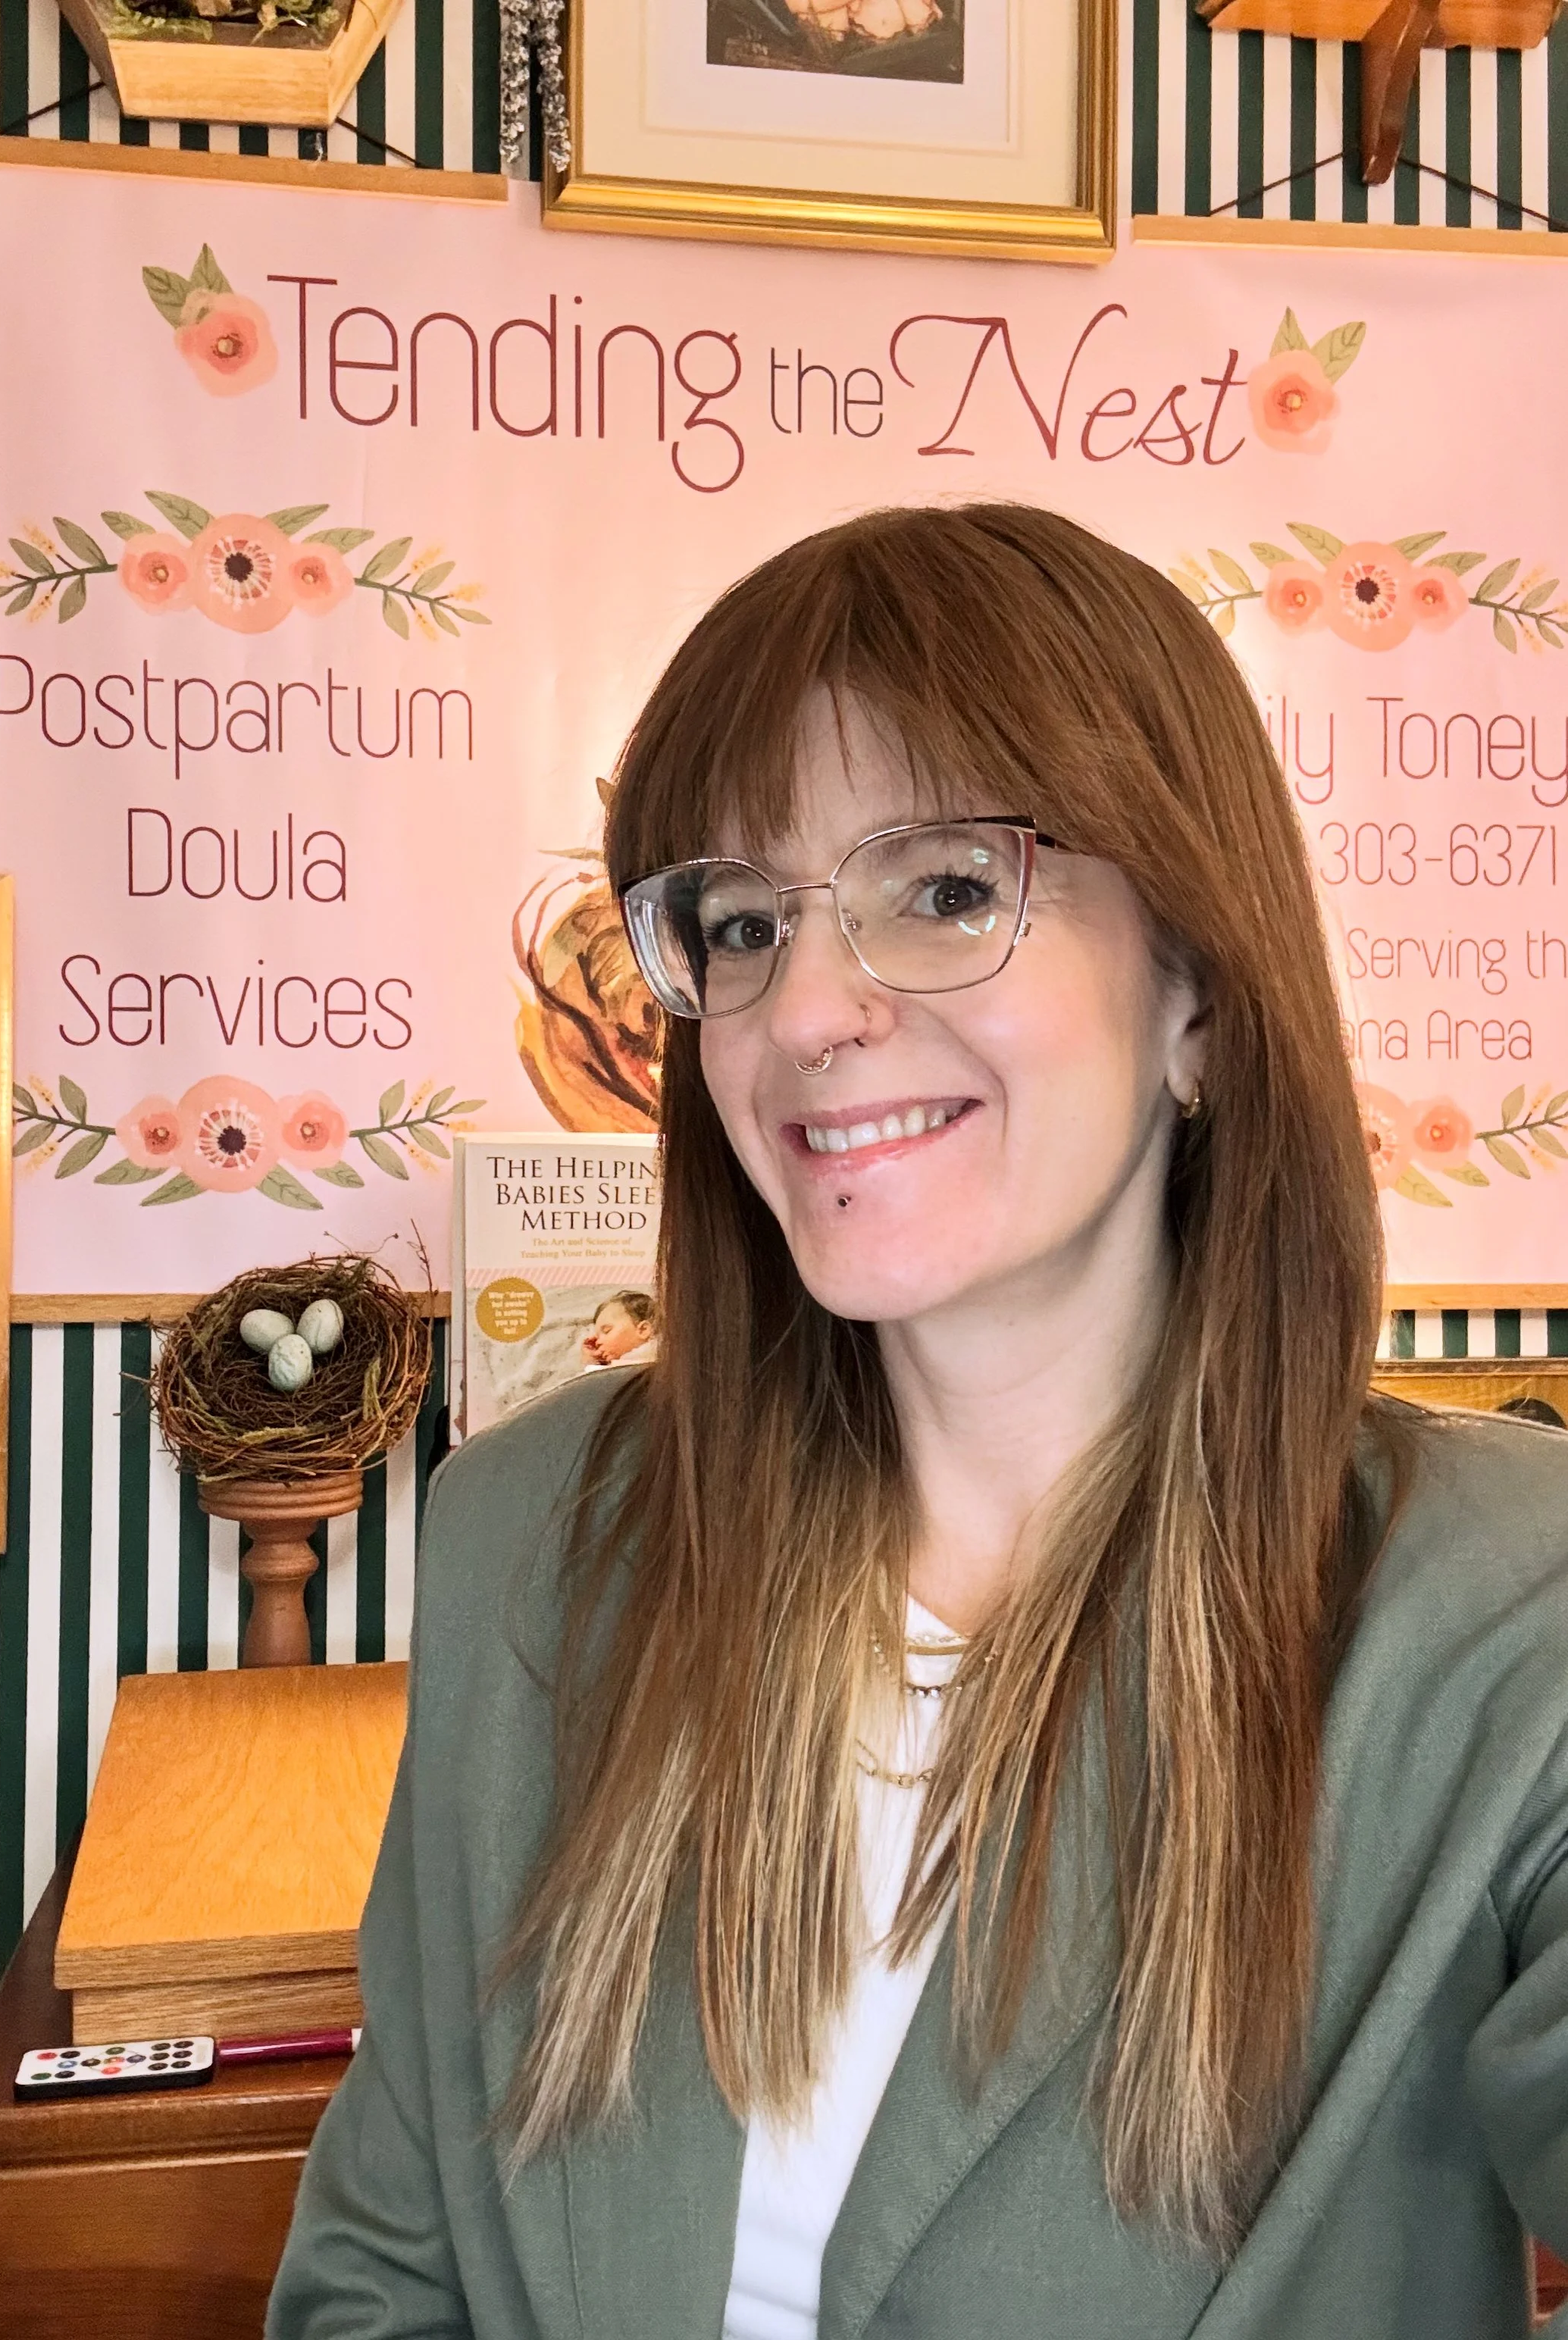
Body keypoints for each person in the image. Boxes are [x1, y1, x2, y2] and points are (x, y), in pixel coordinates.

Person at [269, 505, 1568, 2338]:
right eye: (739, 918)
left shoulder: (1506, 1612)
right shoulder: (528, 1537)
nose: (803, 1006)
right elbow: (378, 2283)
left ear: (1192, 995)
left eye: (945, 888)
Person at [579, 1290, 659, 1370]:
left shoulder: (650, 1360)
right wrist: (592, 1361)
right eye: (598, 1337)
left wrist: (590, 1365)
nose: (597, 1343)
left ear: (643, 1330)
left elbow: (598, 1380)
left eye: (607, 1331)